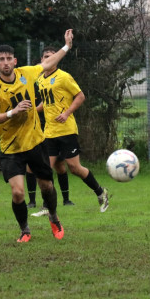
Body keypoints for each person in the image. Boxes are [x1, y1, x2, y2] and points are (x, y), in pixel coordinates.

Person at [0, 30, 73, 243]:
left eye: (8, 59)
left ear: (15, 61)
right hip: (11, 149)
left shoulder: (27, 73)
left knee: (47, 187)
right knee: (17, 194)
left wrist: (67, 46)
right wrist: (12, 112)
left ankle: (53, 216)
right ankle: (25, 230)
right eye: (1, 59)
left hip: (35, 143)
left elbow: (49, 63)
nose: (5, 63)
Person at [36, 46, 110, 212]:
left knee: (75, 168)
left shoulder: (63, 77)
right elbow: (46, 102)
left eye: (51, 56)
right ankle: (47, 206)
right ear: (41, 60)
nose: (48, 59)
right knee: (46, 169)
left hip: (67, 130)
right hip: (49, 131)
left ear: (57, 59)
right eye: (45, 56)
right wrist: (32, 111)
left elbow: (80, 96)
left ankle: (100, 192)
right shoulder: (40, 80)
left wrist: (67, 113)